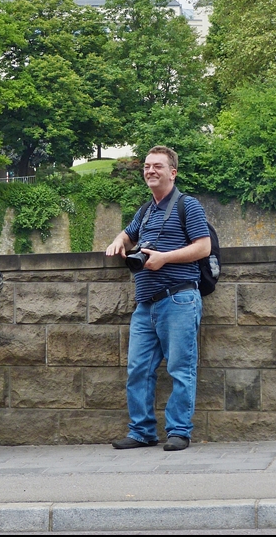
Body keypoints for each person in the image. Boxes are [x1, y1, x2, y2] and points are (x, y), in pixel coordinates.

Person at [105, 146, 211, 452]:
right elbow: (128, 234)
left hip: (178, 299)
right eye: (147, 166)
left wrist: (164, 258)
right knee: (138, 369)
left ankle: (179, 431)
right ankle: (141, 431)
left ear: (172, 172)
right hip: (145, 303)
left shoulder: (187, 206)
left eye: (158, 166)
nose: (150, 171)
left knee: (180, 367)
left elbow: (203, 247)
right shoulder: (146, 210)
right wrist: (118, 241)